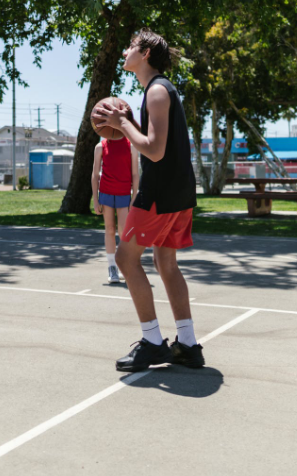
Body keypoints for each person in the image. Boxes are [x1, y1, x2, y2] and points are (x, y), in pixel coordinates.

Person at [93, 28, 204, 371]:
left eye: (130, 47)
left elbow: (154, 151)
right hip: (180, 191)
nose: (125, 51)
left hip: (160, 192)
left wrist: (122, 123)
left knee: (126, 261)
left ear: (144, 53)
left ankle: (153, 341)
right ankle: (187, 344)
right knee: (166, 264)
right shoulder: (159, 90)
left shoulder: (156, 92)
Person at [91, 134, 139, 283]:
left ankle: (124, 264)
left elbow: (135, 174)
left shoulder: (131, 146)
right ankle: (112, 267)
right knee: (110, 229)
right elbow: (95, 175)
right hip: (105, 193)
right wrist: (95, 199)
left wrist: (134, 195)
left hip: (124, 193)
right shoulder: (100, 146)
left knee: (123, 231)